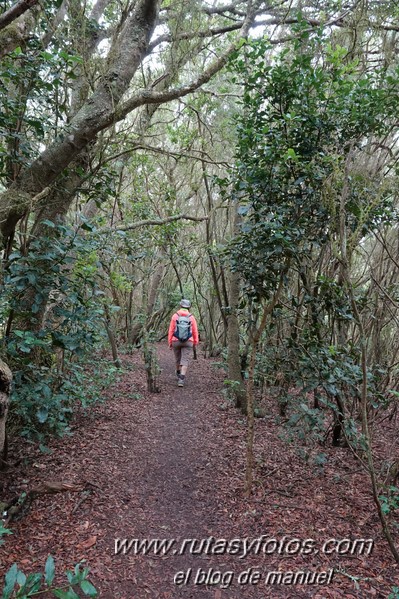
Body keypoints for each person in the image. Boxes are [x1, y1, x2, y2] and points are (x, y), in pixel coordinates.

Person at [168, 299, 199, 387]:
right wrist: (195, 342)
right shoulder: (191, 317)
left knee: (177, 359)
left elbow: (171, 330)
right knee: (185, 359)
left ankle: (178, 372)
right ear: (189, 307)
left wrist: (170, 342)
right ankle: (181, 379)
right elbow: (195, 331)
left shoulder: (175, 316)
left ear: (180, 306)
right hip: (188, 341)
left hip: (176, 341)